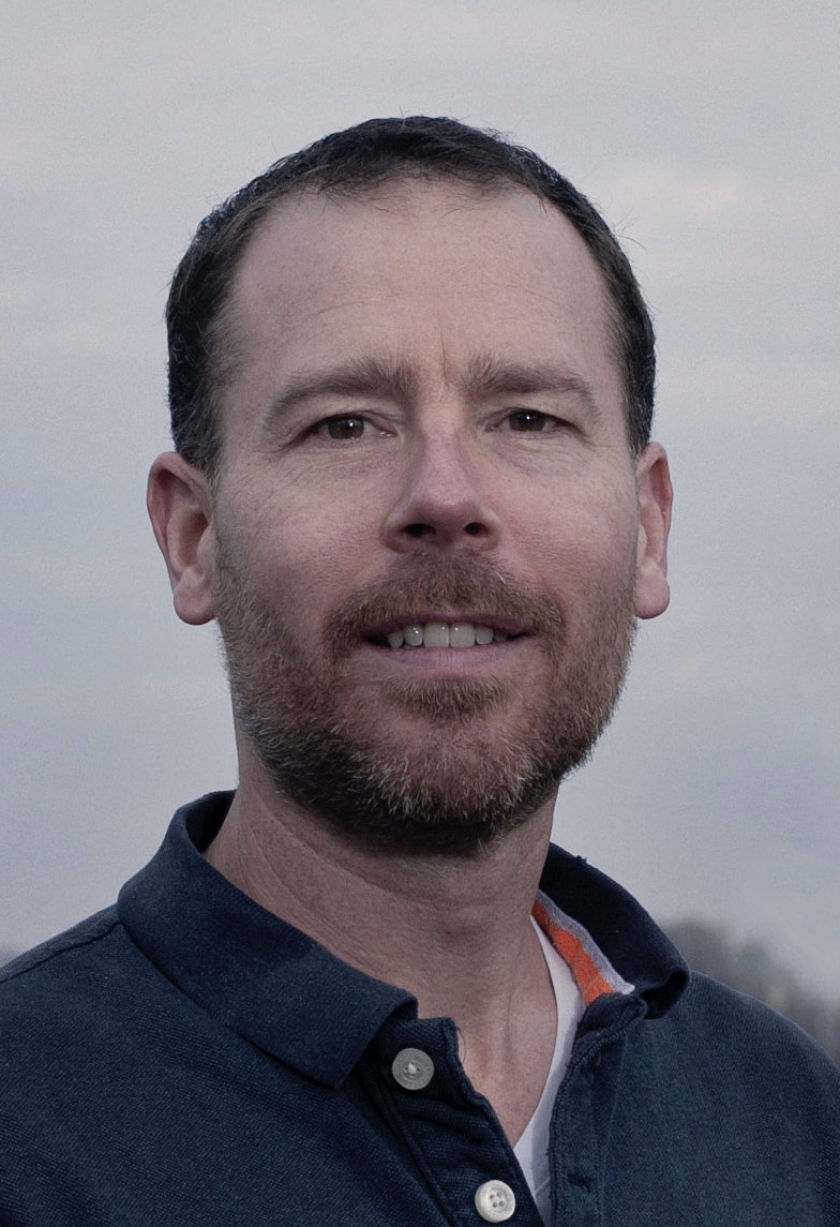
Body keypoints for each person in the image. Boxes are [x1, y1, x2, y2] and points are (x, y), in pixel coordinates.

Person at [1, 117, 837, 1227]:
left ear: (648, 528)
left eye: (529, 417)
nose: (446, 496)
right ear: (193, 538)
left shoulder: (793, 1126)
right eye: (345, 425)